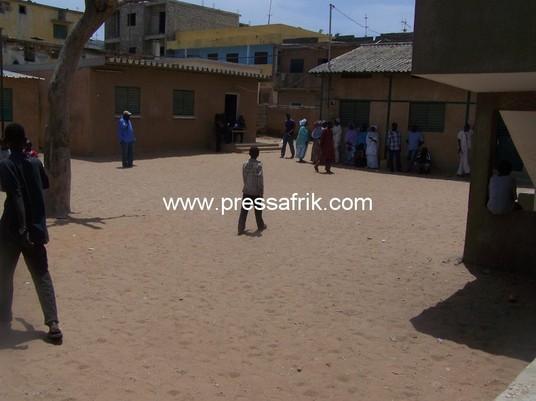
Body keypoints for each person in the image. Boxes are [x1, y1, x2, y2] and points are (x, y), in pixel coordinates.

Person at [0, 123, 62, 340]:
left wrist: (22, 227)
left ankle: (4, 317)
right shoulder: (35, 162)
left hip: (13, 229)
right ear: (25, 140)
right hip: (36, 227)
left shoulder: (6, 164)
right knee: (41, 273)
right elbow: (44, 183)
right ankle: (53, 323)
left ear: (6, 142)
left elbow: (15, 194)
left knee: (4, 274)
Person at [238, 146, 267, 235]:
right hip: (256, 191)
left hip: (247, 190)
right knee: (258, 211)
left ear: (249, 154)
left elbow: (244, 176)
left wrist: (246, 185)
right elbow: (260, 180)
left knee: (244, 211)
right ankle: (260, 225)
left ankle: (240, 228)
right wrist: (261, 192)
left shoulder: (245, 164)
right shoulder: (259, 165)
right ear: (258, 154)